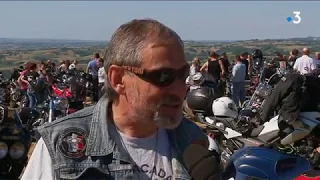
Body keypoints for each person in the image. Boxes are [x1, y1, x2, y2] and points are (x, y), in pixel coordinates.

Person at [22, 19, 211, 180]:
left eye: (183, 75)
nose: (180, 89)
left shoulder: (193, 140)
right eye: (164, 77)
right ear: (118, 79)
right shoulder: (61, 146)